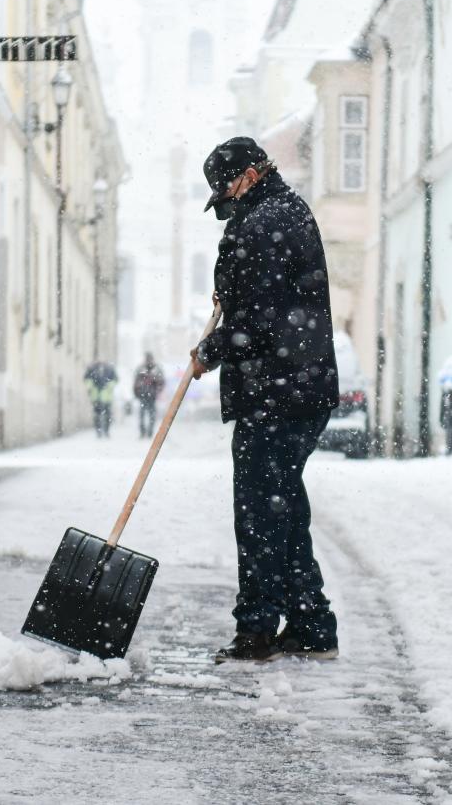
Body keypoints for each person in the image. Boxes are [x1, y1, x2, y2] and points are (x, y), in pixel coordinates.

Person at [188, 137, 340, 664]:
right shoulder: (283, 213)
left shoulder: (265, 225)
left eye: (226, 188)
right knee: (280, 508)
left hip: (278, 392)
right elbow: (265, 312)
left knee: (258, 511)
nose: (223, 201)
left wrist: (215, 346)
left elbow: (262, 323)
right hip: (294, 389)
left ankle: (257, 628)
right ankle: (311, 625)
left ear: (251, 175)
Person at [133, 353, 166, 438]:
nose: (148, 361)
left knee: (150, 415)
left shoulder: (157, 369)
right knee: (143, 415)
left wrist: (157, 388)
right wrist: (137, 392)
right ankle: (143, 432)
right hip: (143, 395)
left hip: (151, 395)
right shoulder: (141, 369)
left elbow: (162, 382)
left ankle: (149, 432)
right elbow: (136, 382)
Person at [83, 360, 117, 438]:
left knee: (107, 415)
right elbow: (87, 379)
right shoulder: (92, 369)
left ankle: (106, 430)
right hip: (96, 396)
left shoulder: (109, 369)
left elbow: (115, 379)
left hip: (107, 396)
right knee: (97, 414)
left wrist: (109, 386)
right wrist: (90, 387)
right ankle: (98, 431)